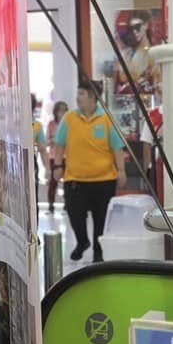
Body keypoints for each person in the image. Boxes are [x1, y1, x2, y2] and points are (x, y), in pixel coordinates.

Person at [57, 81, 124, 262]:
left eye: (82, 94)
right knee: (74, 214)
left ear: (94, 97)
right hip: (75, 179)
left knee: (101, 218)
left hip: (104, 180)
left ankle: (98, 252)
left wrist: (122, 171)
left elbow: (117, 147)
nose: (78, 98)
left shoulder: (107, 119)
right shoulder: (70, 118)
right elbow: (59, 144)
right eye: (77, 94)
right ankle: (82, 241)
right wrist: (56, 167)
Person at [45, 100, 68, 214]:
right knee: (53, 182)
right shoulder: (51, 124)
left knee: (67, 182)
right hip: (54, 157)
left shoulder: (69, 124)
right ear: (56, 112)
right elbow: (46, 142)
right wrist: (54, 140)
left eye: (64, 110)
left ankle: (66, 206)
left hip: (67, 156)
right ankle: (51, 206)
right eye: (60, 110)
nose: (62, 113)